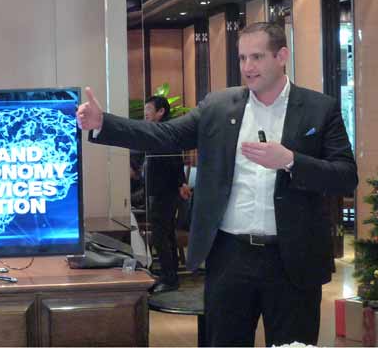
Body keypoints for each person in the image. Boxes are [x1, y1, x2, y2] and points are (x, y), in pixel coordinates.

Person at [76, 22, 358, 346]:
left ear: (282, 56)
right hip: (230, 256)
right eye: (242, 58)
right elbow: (164, 135)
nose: (247, 67)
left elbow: (345, 175)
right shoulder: (218, 106)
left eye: (257, 57)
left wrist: (291, 160)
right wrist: (104, 123)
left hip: (293, 258)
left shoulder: (319, 109)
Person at [142, 95, 190, 293]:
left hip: (165, 192)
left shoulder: (166, 132)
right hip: (159, 190)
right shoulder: (156, 131)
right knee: (165, 234)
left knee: (161, 236)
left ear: (161, 112)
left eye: (148, 110)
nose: (145, 114)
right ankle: (169, 275)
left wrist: (181, 183)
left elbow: (175, 161)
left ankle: (169, 278)